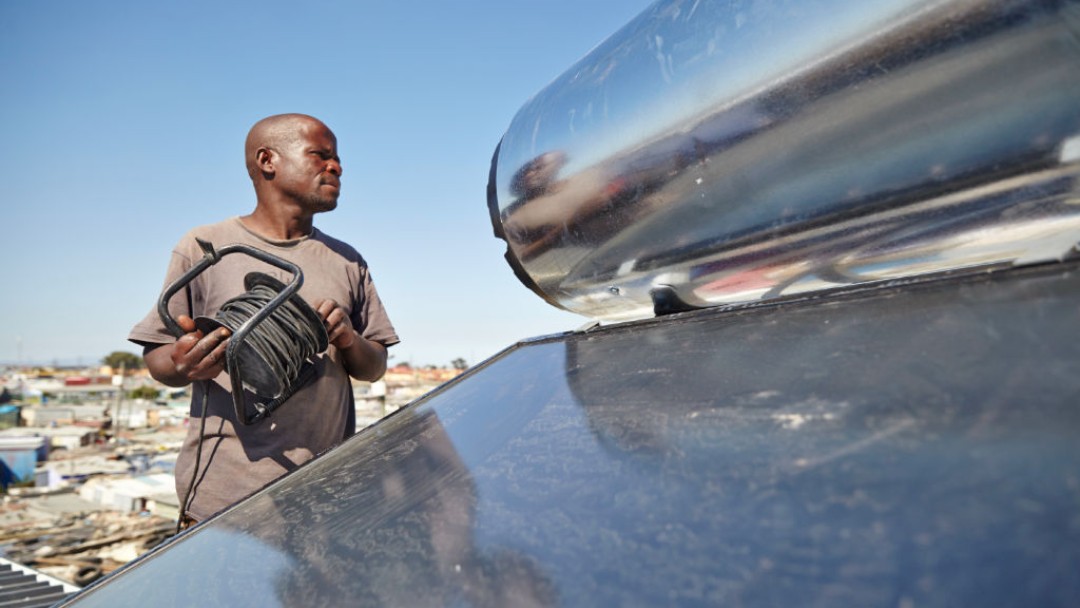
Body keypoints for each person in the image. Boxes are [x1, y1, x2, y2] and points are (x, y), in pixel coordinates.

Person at [129, 113, 399, 526]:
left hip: (325, 495)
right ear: (267, 161)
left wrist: (348, 337)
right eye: (320, 155)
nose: (336, 167)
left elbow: (375, 367)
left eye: (338, 158)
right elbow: (158, 359)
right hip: (225, 504)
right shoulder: (204, 247)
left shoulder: (348, 261)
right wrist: (183, 362)